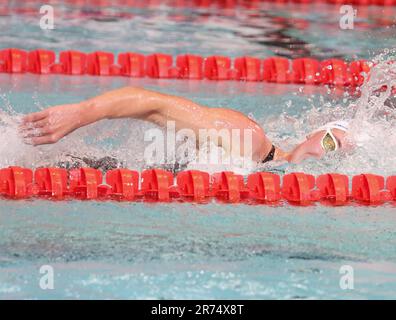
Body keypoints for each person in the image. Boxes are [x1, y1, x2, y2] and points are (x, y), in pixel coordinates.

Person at [19, 86, 350, 168]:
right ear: (312, 135)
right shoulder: (248, 140)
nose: (326, 155)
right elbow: (153, 103)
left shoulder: (267, 166)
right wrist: (81, 112)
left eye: (337, 153)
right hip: (100, 175)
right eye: (330, 142)